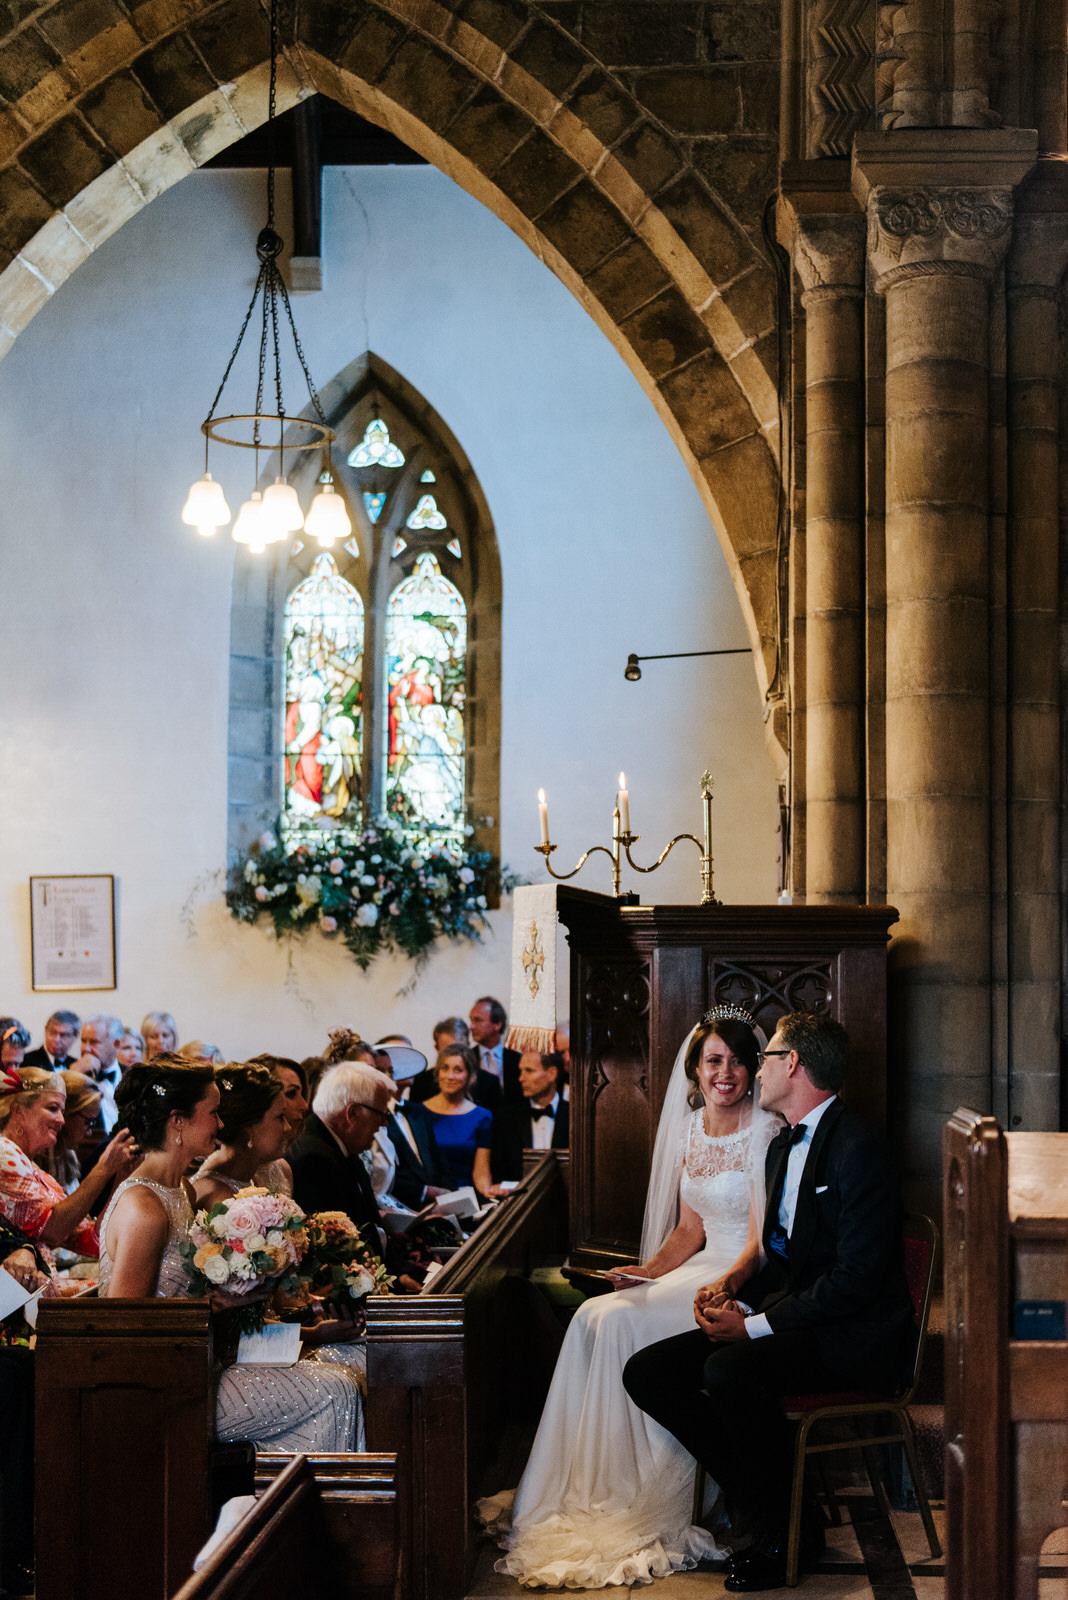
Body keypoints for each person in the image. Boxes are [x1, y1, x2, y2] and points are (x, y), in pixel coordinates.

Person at [480, 1007, 778, 1590]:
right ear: (695, 1068)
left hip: (738, 1274)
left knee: (618, 1327)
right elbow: (690, 1230)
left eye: (739, 1061)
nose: (727, 1072)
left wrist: (724, 1285)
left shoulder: (765, 1130)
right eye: (715, 1060)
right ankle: (586, 1484)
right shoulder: (694, 1129)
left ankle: (641, 1487)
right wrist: (646, 1272)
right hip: (695, 1265)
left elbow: (758, 1243)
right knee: (594, 1313)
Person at [623, 1012, 915, 1594]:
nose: (756, 1068)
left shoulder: (858, 1148)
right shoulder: (785, 1144)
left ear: (794, 1065)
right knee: (648, 1372)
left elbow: (854, 1281)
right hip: (800, 1317)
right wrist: (729, 1293)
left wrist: (757, 1327)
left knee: (728, 1369)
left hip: (854, 1336)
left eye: (766, 1056)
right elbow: (780, 1257)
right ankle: (771, 1506)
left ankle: (784, 1538)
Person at [98, 1055, 361, 1452]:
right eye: (214, 1112)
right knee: (334, 1392)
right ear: (178, 1121)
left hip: (202, 1361)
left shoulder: (181, 1190)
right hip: (161, 1386)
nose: (222, 1125)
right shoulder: (144, 1207)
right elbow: (123, 1332)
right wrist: (215, 1305)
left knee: (353, 1367)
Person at [0, 1066, 137, 1263]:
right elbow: (53, 1230)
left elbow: (91, 1241)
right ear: (18, 1111)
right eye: (53, 1108)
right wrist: (103, 1169)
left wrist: (121, 1176)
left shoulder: (32, 1167)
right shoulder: (4, 1153)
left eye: (62, 1111)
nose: (62, 1120)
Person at [193, 1062, 294, 1209]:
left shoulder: (258, 1172)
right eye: (280, 1117)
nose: (287, 1127)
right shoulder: (218, 1198)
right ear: (249, 1129)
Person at [486, 1051, 569, 1191]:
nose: (521, 1078)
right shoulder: (506, 1118)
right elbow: (498, 1171)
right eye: (521, 1071)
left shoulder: (576, 1116)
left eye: (529, 1071)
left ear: (552, 1073)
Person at [421, 1045, 493, 1192]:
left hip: (466, 1196)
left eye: (458, 1070)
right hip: (429, 1196)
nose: (450, 1076)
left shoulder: (482, 1117)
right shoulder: (418, 1113)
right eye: (445, 1068)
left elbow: (481, 1172)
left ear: (470, 1076)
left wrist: (488, 1195)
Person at [41, 1072, 101, 1194]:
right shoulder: (37, 1162)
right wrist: (103, 1171)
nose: (89, 1133)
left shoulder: (69, 1156)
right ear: (66, 1114)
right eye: (88, 1122)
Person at [77, 1014, 124, 1134]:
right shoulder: (74, 1076)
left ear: (116, 1044)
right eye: (83, 1041)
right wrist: (76, 1075)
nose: (86, 1049)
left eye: (93, 1042)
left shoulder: (131, 1076)